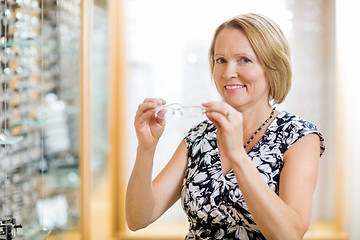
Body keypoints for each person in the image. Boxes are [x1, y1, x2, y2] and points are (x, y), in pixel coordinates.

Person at [125, 13, 325, 240]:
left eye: (244, 60)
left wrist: (237, 156)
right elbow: (137, 218)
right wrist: (146, 148)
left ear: (273, 67)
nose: (228, 73)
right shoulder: (199, 137)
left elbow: (289, 235)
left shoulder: (299, 137)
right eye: (221, 60)